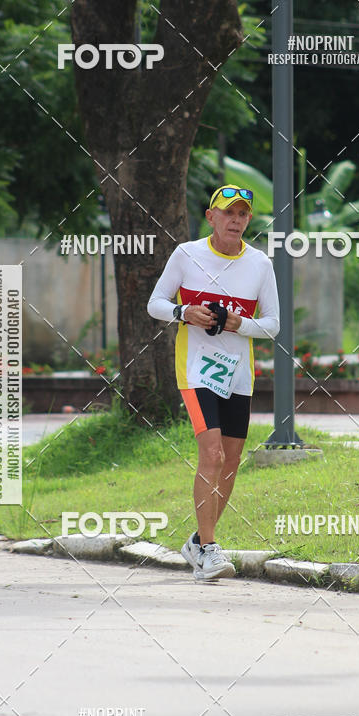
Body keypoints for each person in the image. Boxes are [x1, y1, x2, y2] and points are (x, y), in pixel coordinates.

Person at [147, 184, 280, 581]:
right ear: (211, 217)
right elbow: (155, 302)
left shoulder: (260, 265)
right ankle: (208, 551)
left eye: (242, 215)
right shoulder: (187, 255)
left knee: (233, 460)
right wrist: (184, 312)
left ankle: (198, 542)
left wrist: (239, 322)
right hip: (197, 369)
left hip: (238, 374)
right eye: (228, 213)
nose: (236, 221)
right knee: (213, 455)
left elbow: (273, 326)